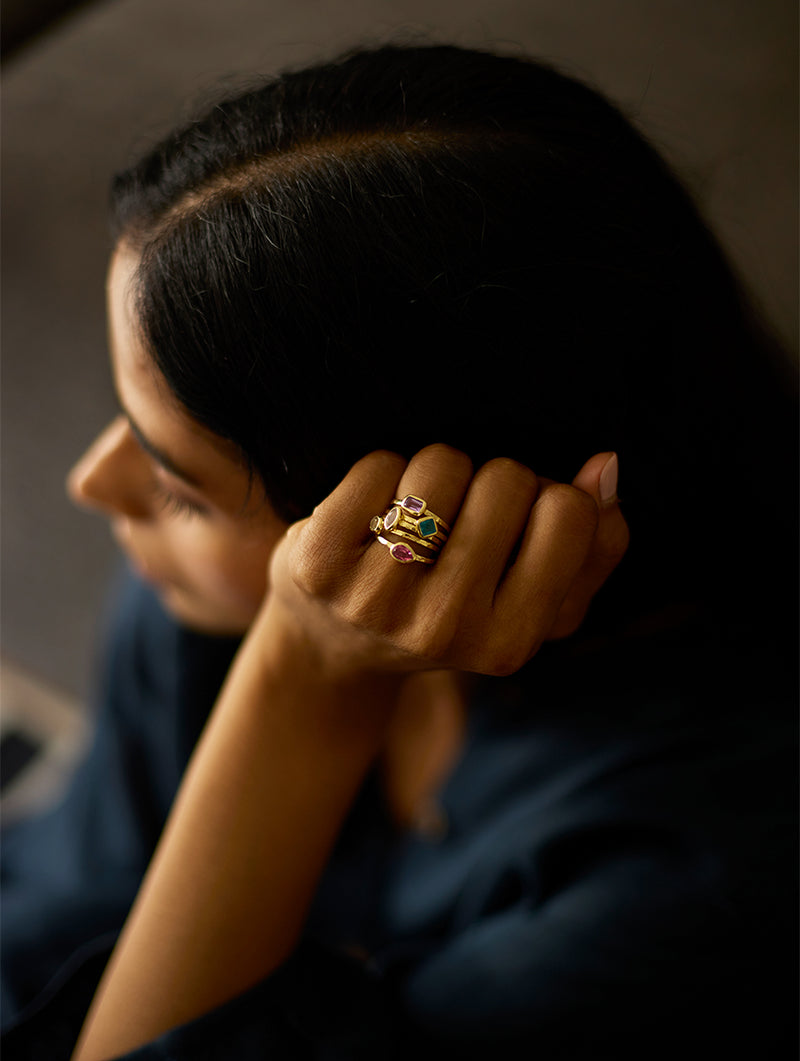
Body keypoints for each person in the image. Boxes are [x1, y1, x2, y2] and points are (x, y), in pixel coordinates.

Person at [1, 43, 796, 1060]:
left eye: (174, 481)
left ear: (427, 510)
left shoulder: (698, 877)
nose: (91, 481)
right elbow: (63, 895)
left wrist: (303, 677)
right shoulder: (194, 590)